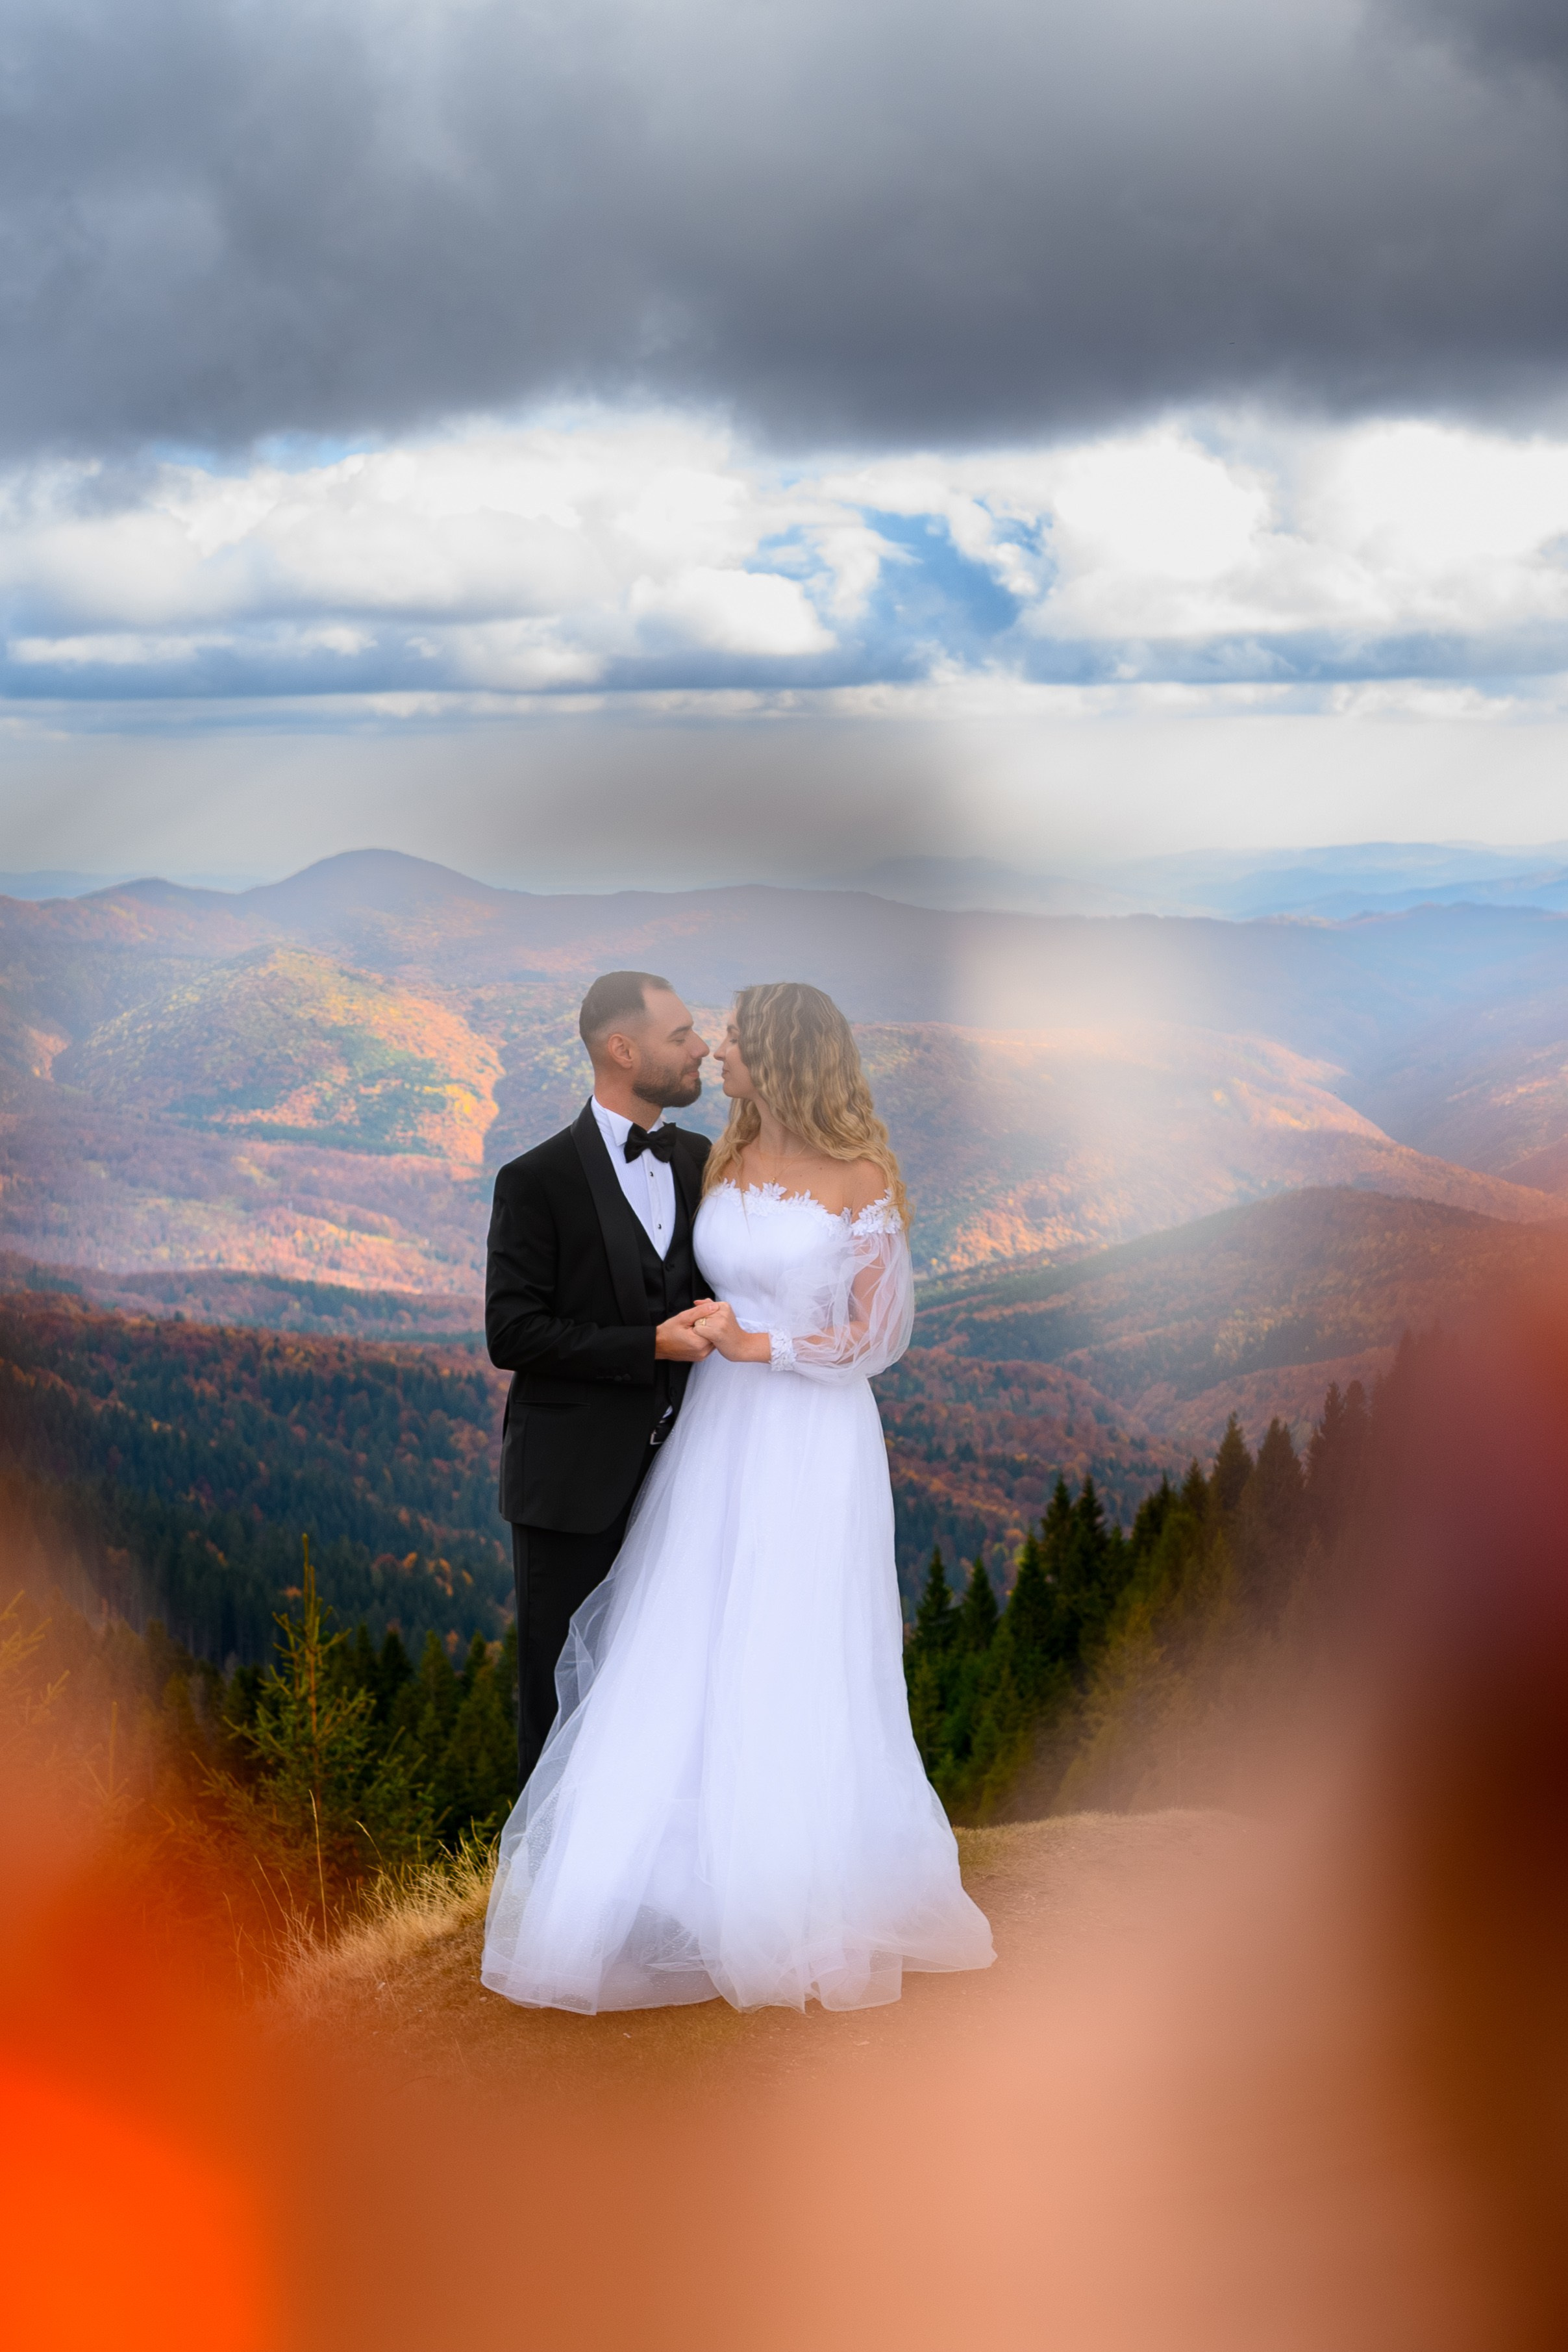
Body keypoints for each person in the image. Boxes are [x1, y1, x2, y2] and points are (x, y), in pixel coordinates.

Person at [482, 980, 994, 2013]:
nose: (712, 1053)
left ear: (784, 1057)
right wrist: (682, 1346)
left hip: (807, 1431)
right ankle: (662, 1886)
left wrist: (765, 1343)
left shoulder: (844, 1174)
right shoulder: (713, 1157)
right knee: (688, 1638)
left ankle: (795, 1890)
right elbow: (548, 1317)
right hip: (711, 1433)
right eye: (693, 1037)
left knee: (789, 1642)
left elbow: (873, 1334)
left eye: (729, 1042)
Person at [486, 971, 716, 1788]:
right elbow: (511, 1332)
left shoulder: (702, 1159)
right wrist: (646, 1344)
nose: (703, 1049)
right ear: (624, 1050)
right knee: (561, 1694)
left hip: (690, 1474)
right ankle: (543, 1901)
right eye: (682, 1035)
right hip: (570, 1484)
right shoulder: (534, 1180)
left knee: (674, 1680)